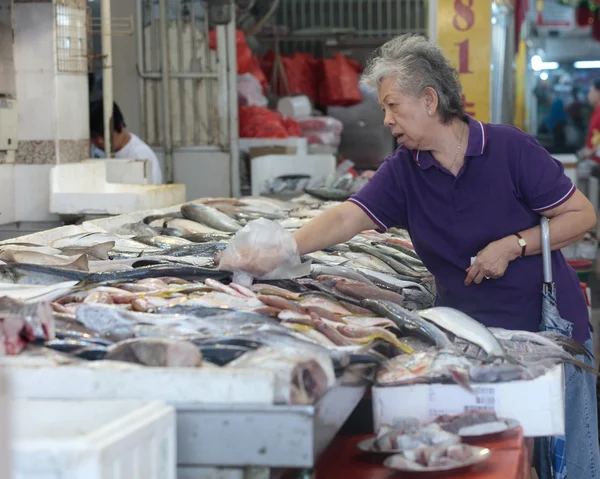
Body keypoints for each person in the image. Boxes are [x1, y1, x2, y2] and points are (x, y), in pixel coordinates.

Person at [222, 34, 600, 479]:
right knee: (495, 457)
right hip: (471, 344)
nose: (386, 119)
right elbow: (349, 217)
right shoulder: (405, 168)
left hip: (547, 332)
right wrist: (285, 247)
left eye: (392, 106)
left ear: (429, 99)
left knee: (570, 462)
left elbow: (582, 215)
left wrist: (513, 245)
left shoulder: (508, 149)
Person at [89, 100, 163, 184]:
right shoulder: (94, 150)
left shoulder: (140, 155)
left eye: (104, 135)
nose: (99, 141)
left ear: (121, 126)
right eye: (94, 136)